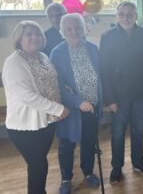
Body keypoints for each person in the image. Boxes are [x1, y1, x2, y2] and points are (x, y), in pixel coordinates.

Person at [2, 21, 69, 194]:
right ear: (19, 38)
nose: (34, 37)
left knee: (39, 164)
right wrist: (58, 109)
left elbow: (53, 83)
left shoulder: (43, 57)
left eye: (37, 33)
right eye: (29, 34)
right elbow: (27, 96)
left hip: (46, 122)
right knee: (38, 165)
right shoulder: (14, 62)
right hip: (25, 127)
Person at [99, 1, 143, 184]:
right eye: (122, 14)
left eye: (130, 14)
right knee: (118, 132)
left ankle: (138, 162)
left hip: (141, 94)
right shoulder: (107, 37)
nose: (126, 17)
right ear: (117, 16)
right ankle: (116, 166)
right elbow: (104, 71)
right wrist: (110, 99)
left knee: (138, 130)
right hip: (118, 96)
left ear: (136, 16)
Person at [50, 13, 102, 194]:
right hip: (70, 110)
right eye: (69, 29)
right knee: (67, 145)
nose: (74, 32)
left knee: (89, 142)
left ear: (83, 29)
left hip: (92, 107)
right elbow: (59, 85)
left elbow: (100, 76)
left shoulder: (92, 48)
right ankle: (66, 178)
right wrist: (78, 102)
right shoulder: (57, 53)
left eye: (78, 27)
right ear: (62, 31)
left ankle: (88, 172)